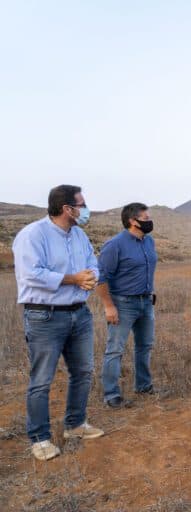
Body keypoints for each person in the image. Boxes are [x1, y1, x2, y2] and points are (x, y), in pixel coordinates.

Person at [12, 185, 104, 461]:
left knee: (83, 371)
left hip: (80, 313)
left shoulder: (79, 234)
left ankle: (75, 425)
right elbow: (32, 274)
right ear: (67, 209)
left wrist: (90, 277)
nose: (86, 210)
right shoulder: (32, 235)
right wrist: (73, 278)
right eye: (82, 204)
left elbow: (92, 263)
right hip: (45, 316)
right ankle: (39, 438)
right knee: (41, 380)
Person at [95, 203, 158, 408]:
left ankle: (144, 385)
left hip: (146, 302)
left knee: (145, 346)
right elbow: (101, 277)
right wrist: (109, 306)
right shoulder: (115, 244)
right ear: (133, 221)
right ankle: (111, 394)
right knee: (115, 349)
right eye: (146, 218)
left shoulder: (149, 242)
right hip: (123, 304)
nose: (149, 221)